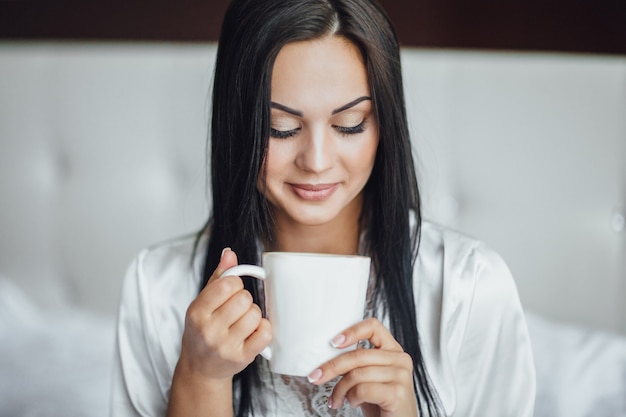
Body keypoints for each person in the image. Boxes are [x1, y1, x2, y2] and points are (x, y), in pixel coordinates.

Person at [111, 0, 536, 416]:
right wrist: (201, 377)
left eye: (349, 125)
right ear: (238, 125)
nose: (316, 161)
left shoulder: (468, 286)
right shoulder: (158, 289)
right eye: (281, 129)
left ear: (384, 124)